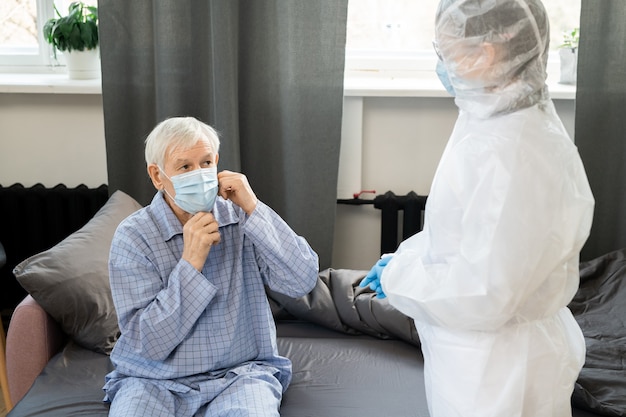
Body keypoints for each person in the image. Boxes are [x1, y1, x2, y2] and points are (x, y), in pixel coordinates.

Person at [361, 1, 595, 416]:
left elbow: (484, 294)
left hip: (498, 370)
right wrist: (412, 256)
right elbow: (464, 232)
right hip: (490, 355)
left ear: (484, 55)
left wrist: (400, 276)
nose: (442, 63)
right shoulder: (492, 116)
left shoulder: (511, 149)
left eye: (446, 51)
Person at [103, 116, 319, 417]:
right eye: (184, 167)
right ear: (157, 175)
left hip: (241, 375)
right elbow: (147, 343)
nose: (199, 174)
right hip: (152, 380)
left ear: (217, 161)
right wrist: (190, 264)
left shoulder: (242, 215)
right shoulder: (133, 236)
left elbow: (302, 280)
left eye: (206, 163)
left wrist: (254, 207)